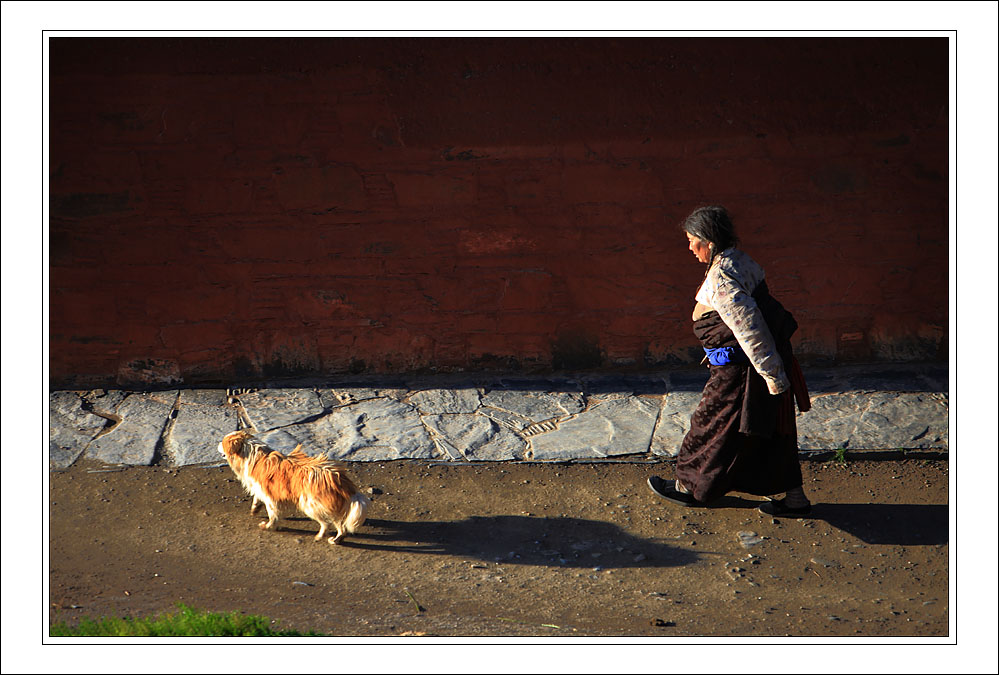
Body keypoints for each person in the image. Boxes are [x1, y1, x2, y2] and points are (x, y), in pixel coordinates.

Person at [647, 205, 813, 516]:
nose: (689, 248)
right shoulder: (741, 260)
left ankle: (687, 487)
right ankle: (796, 499)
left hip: (741, 372)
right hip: (756, 367)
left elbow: (750, 327)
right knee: (772, 432)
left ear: (708, 242)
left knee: (709, 426)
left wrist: (772, 375)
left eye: (692, 240)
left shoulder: (722, 277)